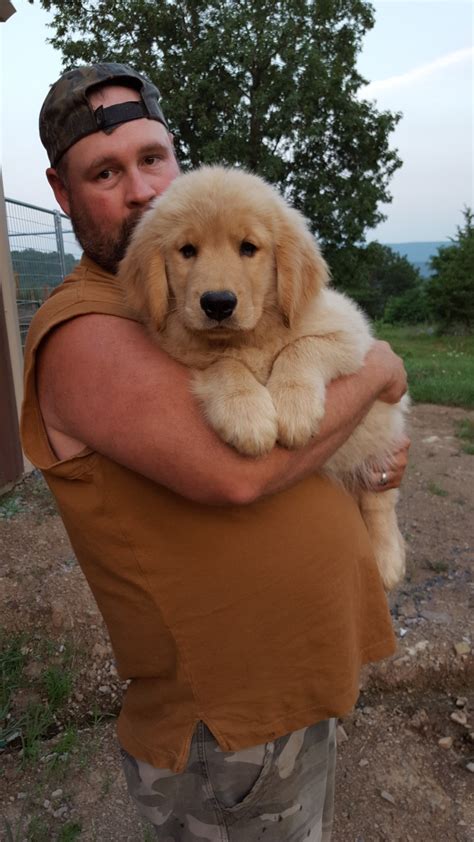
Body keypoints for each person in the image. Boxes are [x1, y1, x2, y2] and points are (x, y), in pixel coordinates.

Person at [21, 63, 409, 842]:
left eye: (153, 159)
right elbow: (237, 473)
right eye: (105, 172)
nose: (142, 192)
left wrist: (360, 464)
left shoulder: (170, 296)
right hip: (225, 726)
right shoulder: (84, 329)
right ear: (61, 194)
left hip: (287, 688)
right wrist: (378, 370)